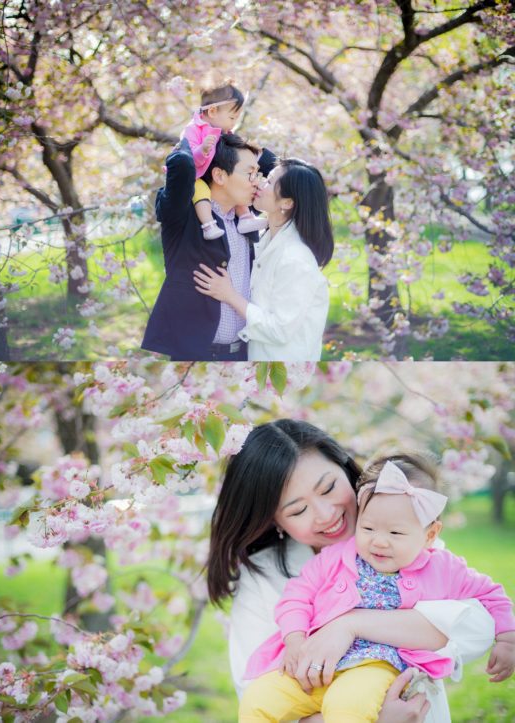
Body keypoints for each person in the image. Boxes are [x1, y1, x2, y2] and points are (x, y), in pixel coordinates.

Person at [206, 420, 498, 723]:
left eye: (329, 487)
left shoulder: (405, 546)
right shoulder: (263, 577)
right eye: (297, 510)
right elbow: (252, 693)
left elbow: (476, 627)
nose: (325, 514)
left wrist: (351, 624)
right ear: (274, 521)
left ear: (346, 469)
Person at [141, 133, 276, 361]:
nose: (257, 181)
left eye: (257, 174)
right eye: (249, 173)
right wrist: (197, 137)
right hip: (195, 354)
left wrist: (230, 135)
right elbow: (182, 164)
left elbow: (280, 169)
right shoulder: (185, 215)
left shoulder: (246, 219)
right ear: (219, 175)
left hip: (245, 353)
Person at [193, 158, 332, 361]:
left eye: (269, 181)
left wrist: (229, 295)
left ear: (287, 202)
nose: (259, 183)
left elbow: (279, 330)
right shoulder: (267, 238)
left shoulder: (295, 258)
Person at [183, 81, 267, 240]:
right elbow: (186, 157)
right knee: (201, 193)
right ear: (213, 111)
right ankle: (208, 224)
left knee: (239, 183)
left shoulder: (225, 132)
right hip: (195, 176)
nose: (234, 123)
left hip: (216, 174)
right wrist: (202, 150)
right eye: (232, 117)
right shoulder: (192, 129)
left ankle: (245, 218)